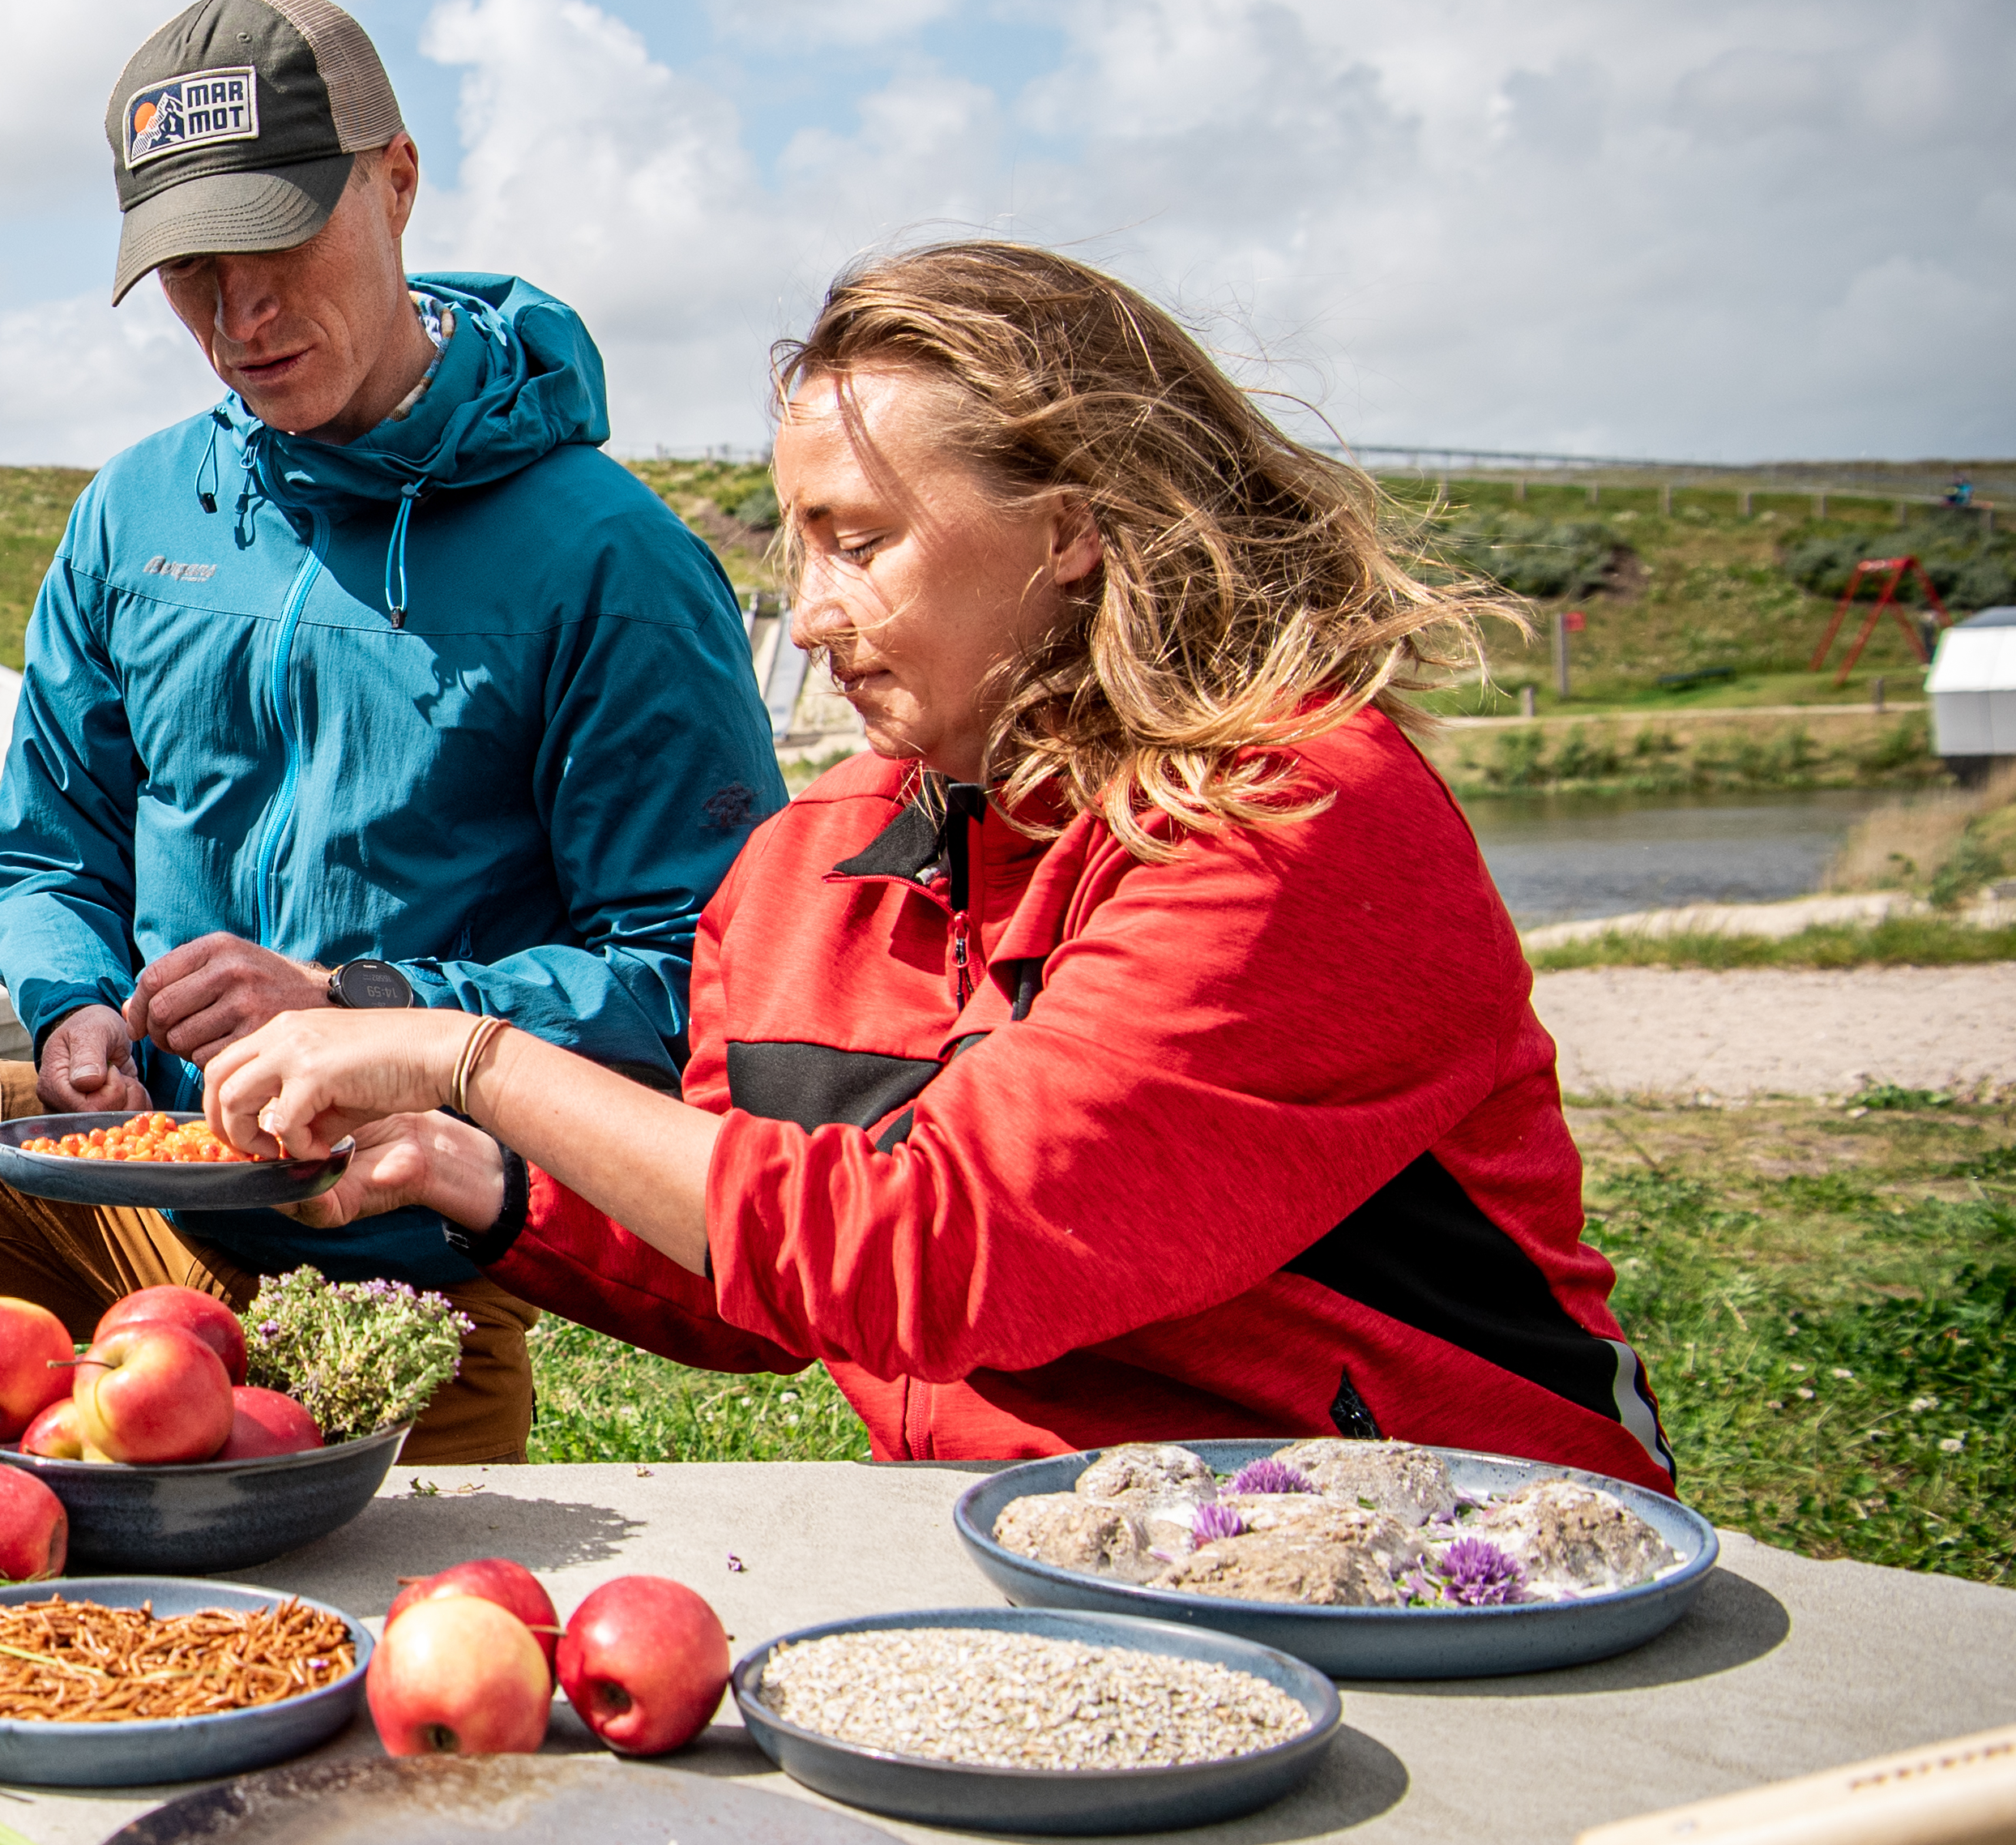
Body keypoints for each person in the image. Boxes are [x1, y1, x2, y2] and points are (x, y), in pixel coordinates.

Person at [203, 241, 1674, 1487]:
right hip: (1057, 1561)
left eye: (859, 541)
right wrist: (481, 1177)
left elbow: (935, 1249)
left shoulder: (1289, 821)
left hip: (1425, 1550)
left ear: (1070, 532)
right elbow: (773, 1255)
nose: (814, 617)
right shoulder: (808, 865)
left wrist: (470, 1057)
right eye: (800, 548)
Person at [0, 0, 784, 1458]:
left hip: (384, 1250)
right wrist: (73, 1002)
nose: (239, 319)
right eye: (186, 273)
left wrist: (361, 1004)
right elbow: (46, 848)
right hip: (122, 1174)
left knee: (368, 1645)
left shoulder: (608, 562)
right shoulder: (134, 509)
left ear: (396, 179)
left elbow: (695, 979)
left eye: (277, 245)